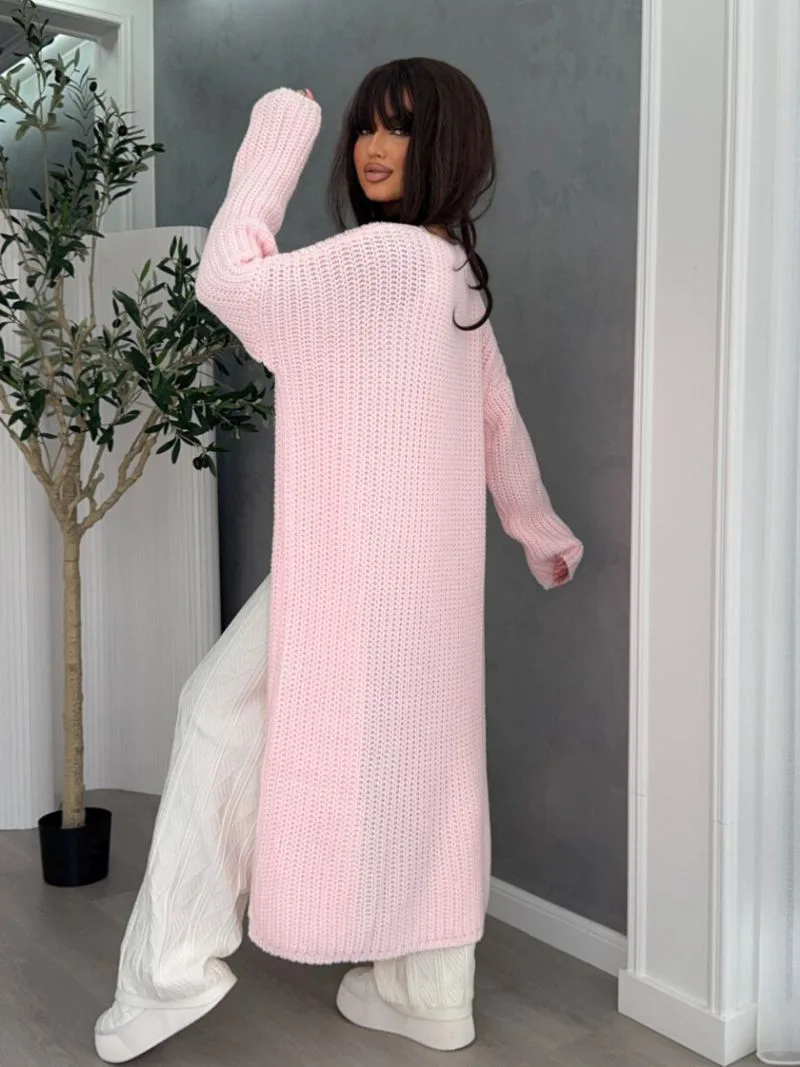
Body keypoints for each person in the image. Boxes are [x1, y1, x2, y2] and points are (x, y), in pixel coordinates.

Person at [94, 58, 583, 1063]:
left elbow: (228, 279)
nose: (371, 147)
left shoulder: (382, 260)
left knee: (214, 712)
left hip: (349, 567)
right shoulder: (453, 274)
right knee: (428, 765)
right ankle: (426, 992)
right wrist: (539, 531)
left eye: (399, 128)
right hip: (425, 579)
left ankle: (168, 973)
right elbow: (498, 420)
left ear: (444, 146)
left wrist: (278, 135)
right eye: (365, 126)